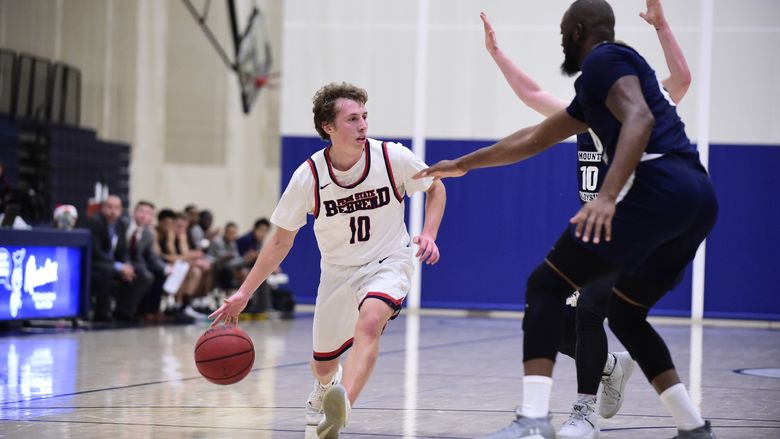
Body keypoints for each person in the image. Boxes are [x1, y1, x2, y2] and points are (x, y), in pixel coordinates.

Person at [416, 1, 717, 438]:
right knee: (625, 317)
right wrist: (465, 163)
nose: (560, 41)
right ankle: (693, 427)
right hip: (696, 199)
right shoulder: (597, 100)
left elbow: (641, 115)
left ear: (577, 31)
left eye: (562, 32)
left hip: (647, 198)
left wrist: (608, 197)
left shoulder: (606, 62)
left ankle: (539, 417)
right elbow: (535, 136)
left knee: (547, 287)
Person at [479, 0, 691, 436]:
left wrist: (662, 27)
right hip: (597, 230)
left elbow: (683, 79)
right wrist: (499, 57)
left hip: (636, 224)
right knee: (552, 321)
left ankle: (584, 413)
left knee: (592, 310)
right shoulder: (586, 116)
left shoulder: (645, 107)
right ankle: (612, 367)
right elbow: (534, 94)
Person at [209, 82, 447, 439]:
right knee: (322, 365)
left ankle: (341, 407)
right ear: (328, 127)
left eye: (365, 117)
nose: (364, 125)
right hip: (337, 272)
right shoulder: (309, 176)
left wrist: (428, 233)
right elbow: (280, 241)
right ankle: (326, 388)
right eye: (353, 119)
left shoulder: (391, 157)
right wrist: (244, 292)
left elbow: (436, 187)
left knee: (370, 322)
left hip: (387, 261)